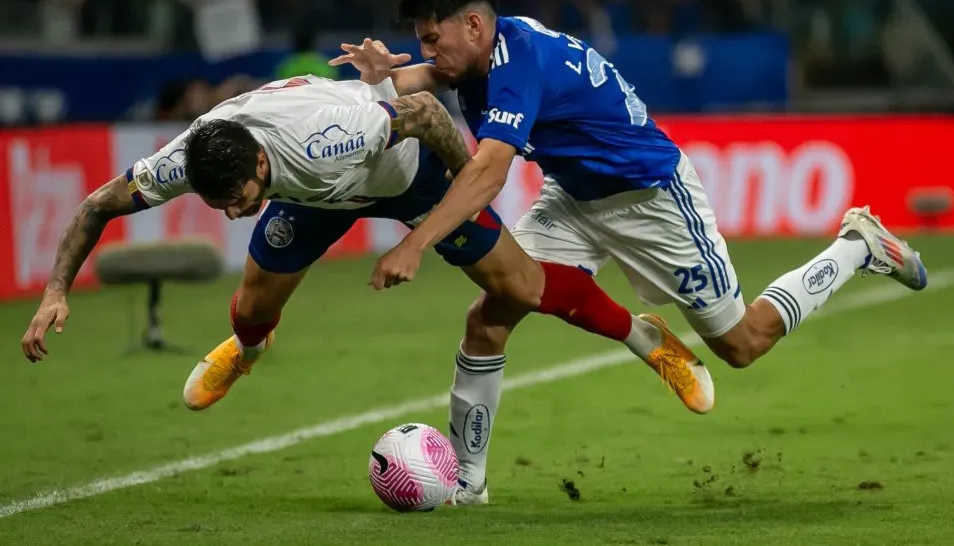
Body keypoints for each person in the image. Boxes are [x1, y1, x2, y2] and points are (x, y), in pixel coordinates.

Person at [347, 0, 928, 504]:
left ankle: (858, 246)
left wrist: (416, 242)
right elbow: (434, 73)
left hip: (652, 201)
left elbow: (490, 171)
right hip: (574, 196)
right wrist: (384, 79)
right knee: (489, 315)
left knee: (743, 344)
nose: (425, 52)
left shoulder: (519, 64)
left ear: (473, 24)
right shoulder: (489, 47)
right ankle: (469, 484)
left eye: (432, 38)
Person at [18, 68, 708, 434]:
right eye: (219, 202)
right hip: (313, 198)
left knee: (520, 287)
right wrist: (56, 291)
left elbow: (430, 112)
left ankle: (647, 338)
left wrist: (450, 200)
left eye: (237, 195)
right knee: (254, 302)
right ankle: (247, 352)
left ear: (260, 159)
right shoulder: (193, 157)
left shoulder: (332, 134)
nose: (230, 211)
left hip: (407, 175)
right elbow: (95, 205)